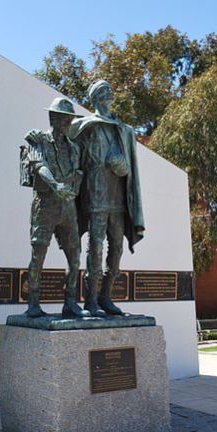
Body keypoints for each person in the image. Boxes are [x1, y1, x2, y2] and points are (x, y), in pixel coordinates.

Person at [70, 80, 145, 316]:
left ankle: (106, 296)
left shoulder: (123, 129)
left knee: (117, 248)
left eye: (109, 90)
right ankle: (90, 299)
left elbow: (130, 164)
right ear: (93, 98)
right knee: (96, 246)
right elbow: (71, 154)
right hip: (95, 193)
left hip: (118, 197)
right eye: (102, 91)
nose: (108, 94)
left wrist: (124, 169)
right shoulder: (85, 126)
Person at [23, 97, 89, 319]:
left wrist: (72, 186)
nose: (68, 122)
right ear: (54, 118)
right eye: (65, 118)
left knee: (75, 255)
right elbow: (39, 166)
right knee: (38, 254)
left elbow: (77, 174)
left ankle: (70, 302)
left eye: (70, 119)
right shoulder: (38, 140)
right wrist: (55, 185)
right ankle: (33, 302)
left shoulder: (73, 148)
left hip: (67, 207)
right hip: (45, 206)